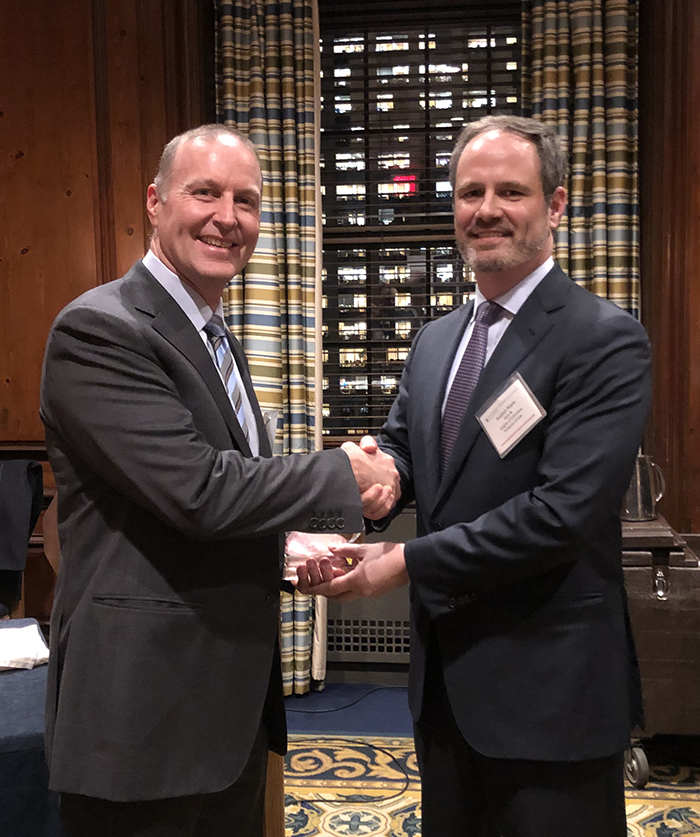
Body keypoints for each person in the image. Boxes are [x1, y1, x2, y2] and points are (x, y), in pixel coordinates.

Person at [40, 123, 399, 837]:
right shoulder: (100, 330)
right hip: (141, 725)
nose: (227, 218)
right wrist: (344, 472)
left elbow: (194, 502)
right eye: (204, 192)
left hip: (221, 719)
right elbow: (200, 490)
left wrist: (286, 546)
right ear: (155, 201)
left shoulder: (212, 329)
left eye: (246, 201)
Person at [297, 115, 652, 837]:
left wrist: (401, 564)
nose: (486, 209)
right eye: (470, 192)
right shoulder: (437, 340)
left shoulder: (603, 338)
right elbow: (406, 451)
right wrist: (382, 480)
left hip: (552, 693)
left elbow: (563, 514)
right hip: (446, 692)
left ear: (555, 204)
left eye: (510, 191)